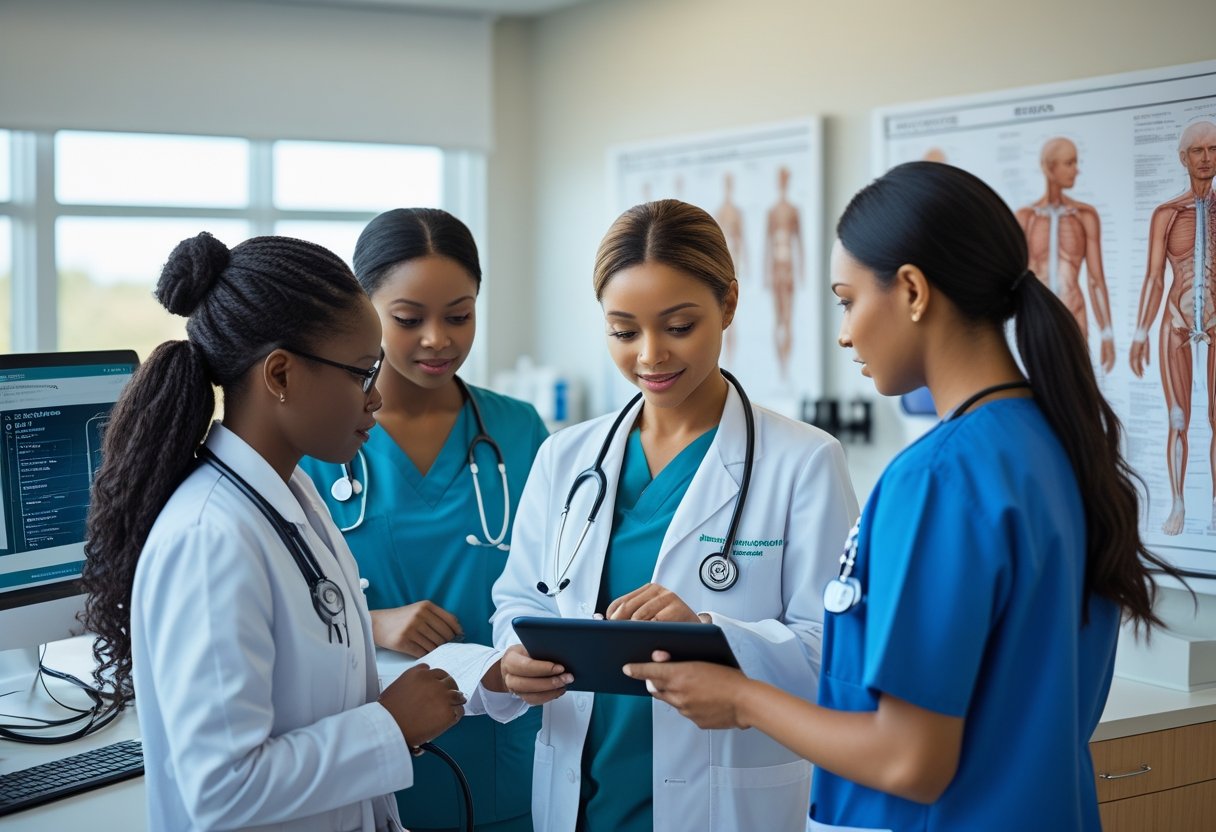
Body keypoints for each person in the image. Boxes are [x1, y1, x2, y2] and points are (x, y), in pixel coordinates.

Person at [626, 162, 1182, 831]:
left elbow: (909, 761)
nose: (844, 332)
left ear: (913, 290)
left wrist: (740, 697)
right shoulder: (1055, 443)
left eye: (847, 300)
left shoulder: (940, 478)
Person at [478, 199, 858, 832]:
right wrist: (513, 658)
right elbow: (520, 604)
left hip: (725, 800)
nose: (650, 355)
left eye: (679, 325)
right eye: (624, 332)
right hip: (582, 794)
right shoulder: (566, 457)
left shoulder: (805, 461)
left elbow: (834, 651)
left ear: (728, 306)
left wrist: (711, 632)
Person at [81, 232, 465, 831]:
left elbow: (309, 687)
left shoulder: (291, 496)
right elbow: (223, 789)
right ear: (280, 374)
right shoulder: (210, 538)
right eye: (364, 374)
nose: (377, 401)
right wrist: (390, 725)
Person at [298, 208, 547, 832]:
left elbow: (558, 584)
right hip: (371, 746)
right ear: (364, 309)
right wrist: (373, 621)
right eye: (408, 320)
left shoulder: (521, 431)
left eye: (459, 315)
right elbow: (272, 605)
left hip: (503, 748)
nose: (438, 339)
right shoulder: (316, 439)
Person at [1129, 120, 1216, 534]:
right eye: (1197, 151)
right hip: (1176, 322)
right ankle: (1179, 504)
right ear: (1183, 158)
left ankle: (1214, 505)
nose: (1206, 158)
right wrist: (1140, 333)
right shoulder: (1167, 213)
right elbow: (1152, 278)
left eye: (1213, 149)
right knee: (1178, 418)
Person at [1016, 136, 1115, 373]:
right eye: (1069, 163)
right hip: (1036, 319)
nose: (1076, 170)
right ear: (1050, 167)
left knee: (1074, 388)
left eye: (1075, 162)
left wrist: (1107, 333)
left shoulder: (1085, 215)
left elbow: (1095, 280)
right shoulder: (1025, 218)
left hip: (1074, 315)